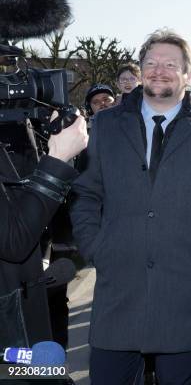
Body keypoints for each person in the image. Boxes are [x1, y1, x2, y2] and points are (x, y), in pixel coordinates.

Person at [70, 28, 191, 384]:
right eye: (151, 62)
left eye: (170, 64)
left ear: (187, 75)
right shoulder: (105, 124)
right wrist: (95, 247)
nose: (159, 70)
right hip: (118, 290)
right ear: (141, 68)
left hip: (183, 291)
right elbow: (86, 193)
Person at [0, 111, 88, 347]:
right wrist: (58, 159)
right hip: (10, 343)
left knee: (46, 366)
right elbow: (13, 241)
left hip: (29, 309)